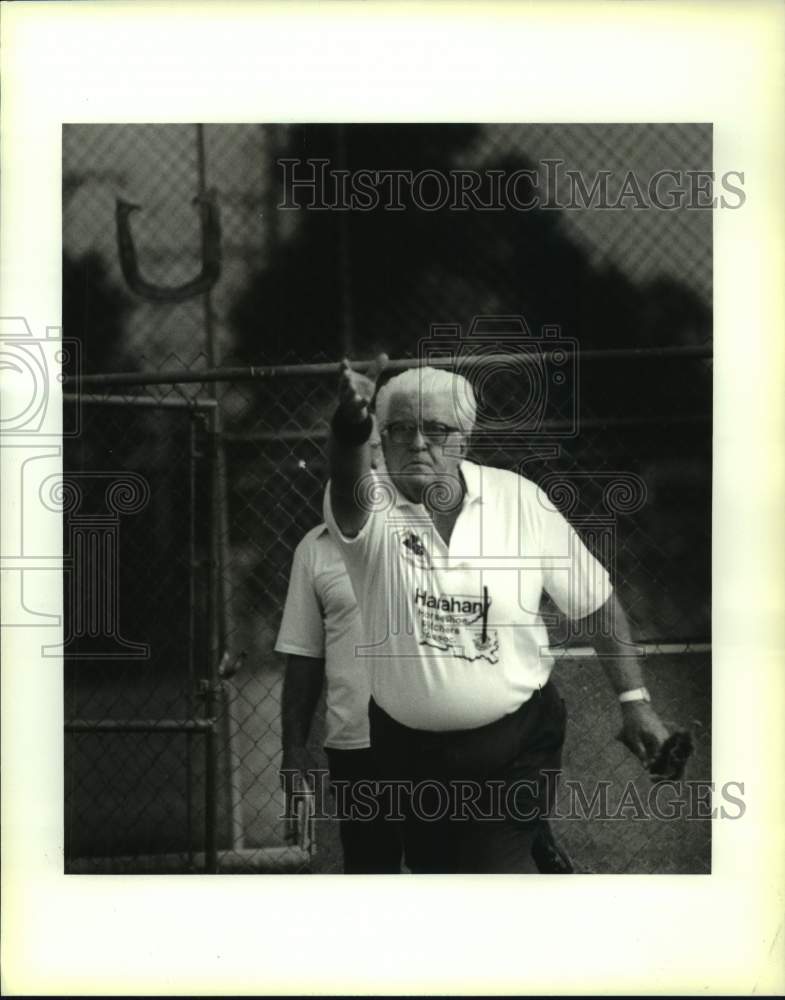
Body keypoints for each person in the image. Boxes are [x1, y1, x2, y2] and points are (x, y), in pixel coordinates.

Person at [323, 357, 671, 874]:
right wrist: (351, 427)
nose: (417, 443)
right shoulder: (370, 506)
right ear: (383, 438)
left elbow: (594, 599)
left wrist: (634, 701)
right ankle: (533, 853)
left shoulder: (520, 501)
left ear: (465, 438)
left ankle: (519, 850)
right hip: (409, 754)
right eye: (399, 430)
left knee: (488, 877)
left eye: (436, 430)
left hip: (515, 743)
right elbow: (349, 477)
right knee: (436, 873)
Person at [276, 428, 402, 874]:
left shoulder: (425, 536)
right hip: (355, 747)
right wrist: (293, 748)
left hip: (431, 739)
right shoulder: (314, 549)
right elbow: (304, 656)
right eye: (353, 459)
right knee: (370, 874)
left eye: (374, 458)